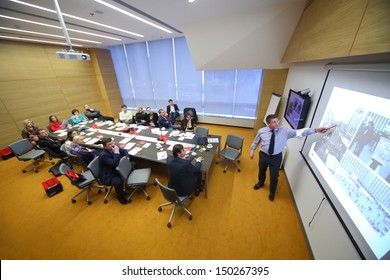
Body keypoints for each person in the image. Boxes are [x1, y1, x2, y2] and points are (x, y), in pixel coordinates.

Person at [250, 114, 327, 201]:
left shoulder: (285, 131)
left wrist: (316, 130)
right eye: (274, 122)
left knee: (274, 176)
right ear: (268, 124)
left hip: (276, 158)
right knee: (261, 170)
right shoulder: (261, 131)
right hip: (263, 155)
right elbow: (256, 141)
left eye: (277, 121)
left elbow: (300, 132)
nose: (277, 123)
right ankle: (260, 182)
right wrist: (252, 150)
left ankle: (272, 192)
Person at [99, 138, 134, 205]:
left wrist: (127, 157)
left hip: (117, 168)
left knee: (133, 164)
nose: (112, 145)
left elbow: (124, 151)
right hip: (109, 173)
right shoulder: (103, 155)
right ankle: (121, 197)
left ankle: (128, 184)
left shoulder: (114, 147)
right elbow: (115, 163)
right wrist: (117, 152)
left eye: (113, 143)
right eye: (109, 144)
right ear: (104, 146)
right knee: (118, 182)